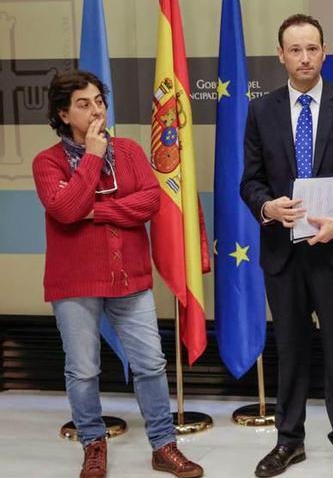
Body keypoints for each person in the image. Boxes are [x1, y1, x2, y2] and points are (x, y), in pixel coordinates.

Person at [32, 70, 203, 478]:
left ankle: (164, 446)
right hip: (74, 284)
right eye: (83, 104)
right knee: (84, 369)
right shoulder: (46, 162)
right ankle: (93, 444)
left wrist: (98, 210)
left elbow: (149, 202)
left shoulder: (127, 152)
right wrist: (91, 156)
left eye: (99, 101)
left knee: (151, 364)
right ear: (63, 113)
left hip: (130, 279)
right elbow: (66, 210)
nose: (96, 111)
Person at [240, 14, 333, 478]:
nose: (305, 58)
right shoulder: (261, 111)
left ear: (325, 51)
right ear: (280, 55)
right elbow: (250, 180)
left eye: (312, 48)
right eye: (295, 50)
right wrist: (268, 208)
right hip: (284, 251)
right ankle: (289, 440)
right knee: (292, 346)